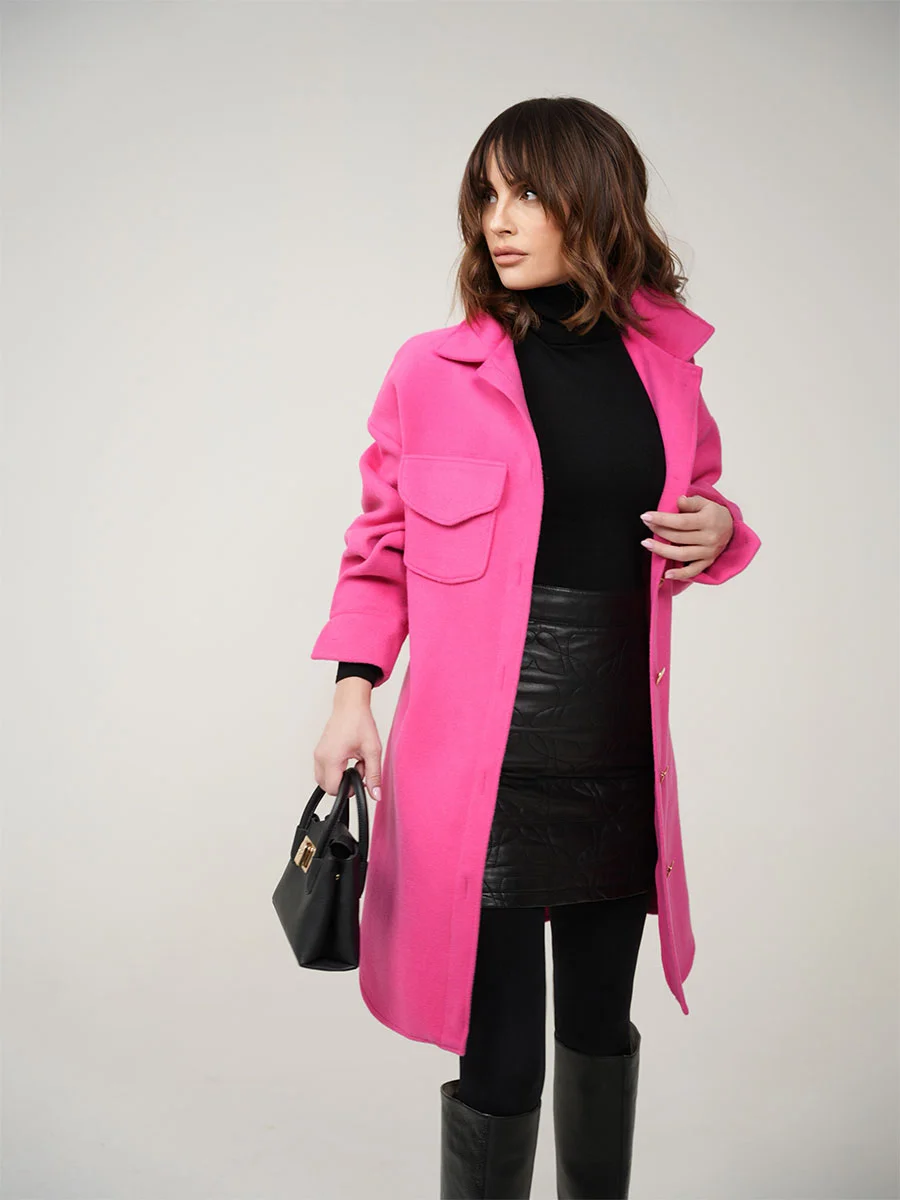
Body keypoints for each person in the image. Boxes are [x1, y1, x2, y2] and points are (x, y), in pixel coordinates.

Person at [310, 96, 761, 1200]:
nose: (497, 220)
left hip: (615, 753)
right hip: (482, 763)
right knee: (501, 1057)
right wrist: (354, 691)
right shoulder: (432, 370)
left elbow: (700, 504)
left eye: (526, 193)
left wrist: (722, 530)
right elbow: (381, 546)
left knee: (600, 1028)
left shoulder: (668, 372)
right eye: (486, 195)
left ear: (594, 203)